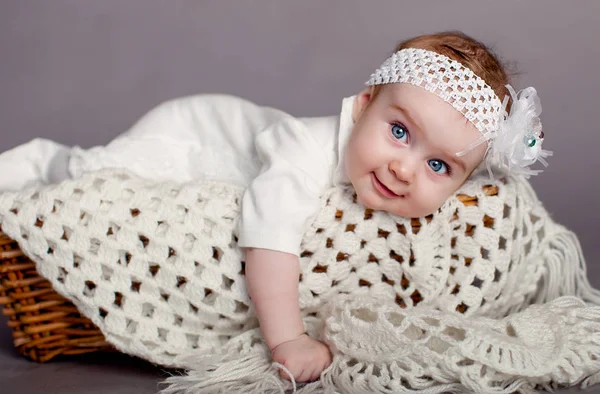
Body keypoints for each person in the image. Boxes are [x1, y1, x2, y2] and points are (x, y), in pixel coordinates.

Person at [0, 31, 549, 383]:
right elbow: (269, 237)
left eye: (439, 167)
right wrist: (288, 339)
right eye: (400, 131)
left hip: (222, 126)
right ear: (361, 108)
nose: (406, 168)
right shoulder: (303, 151)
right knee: (94, 177)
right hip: (190, 143)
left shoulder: (413, 187)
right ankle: (37, 165)